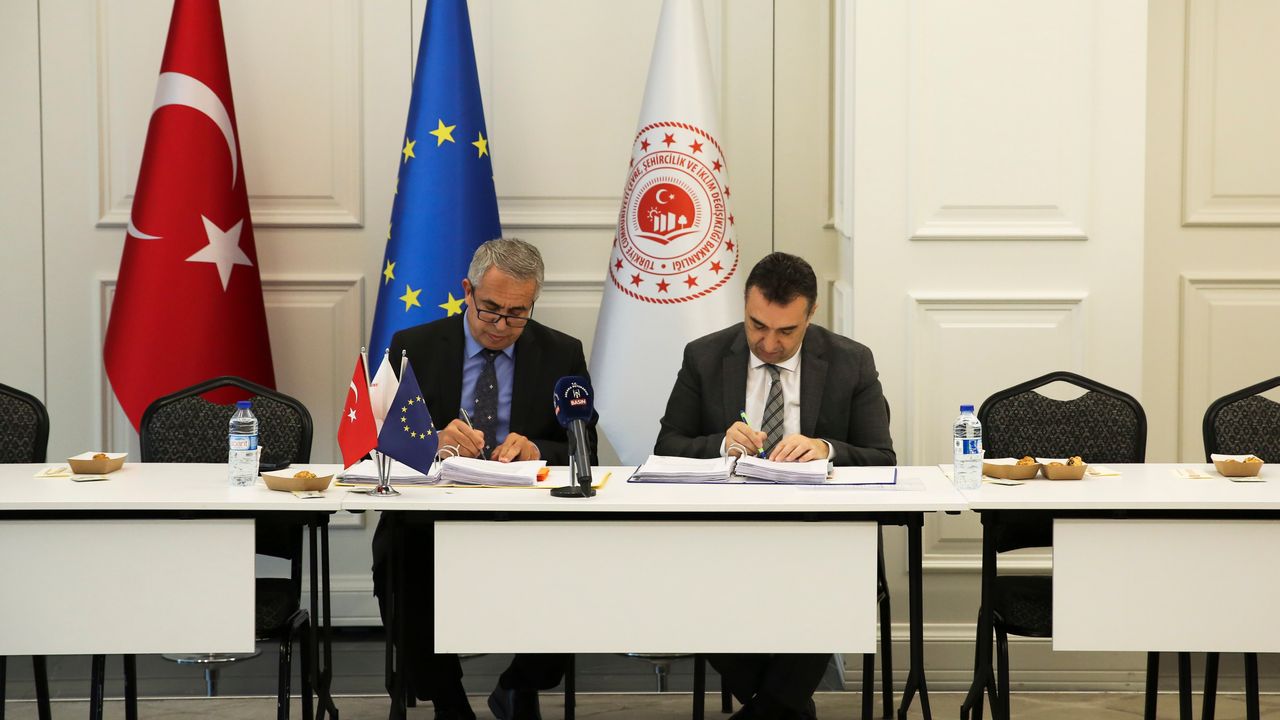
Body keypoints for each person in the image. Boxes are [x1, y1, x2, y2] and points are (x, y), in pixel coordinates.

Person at [655, 251, 895, 720]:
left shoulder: (851, 361)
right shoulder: (704, 356)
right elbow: (667, 446)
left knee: (832, 581)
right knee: (694, 585)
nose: (768, 343)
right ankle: (785, 708)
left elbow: (882, 457)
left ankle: (773, 708)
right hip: (725, 534)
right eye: (757, 325)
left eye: (786, 331)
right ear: (745, 306)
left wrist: (825, 448)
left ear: (811, 314)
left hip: (819, 535)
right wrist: (720, 444)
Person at [372, 238, 597, 720]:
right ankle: (448, 702)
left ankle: (520, 684)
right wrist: (430, 440)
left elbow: (584, 450)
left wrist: (538, 450)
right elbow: (380, 446)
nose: (500, 325)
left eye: (517, 314)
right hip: (433, 518)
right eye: (490, 309)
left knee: (580, 560)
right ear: (467, 291)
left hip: (528, 520)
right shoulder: (414, 347)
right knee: (398, 557)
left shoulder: (562, 353)